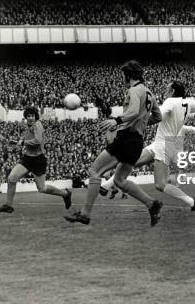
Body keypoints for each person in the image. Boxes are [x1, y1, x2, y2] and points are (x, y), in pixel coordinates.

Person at [64, 60, 163, 226]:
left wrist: (116, 121)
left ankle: (85, 214)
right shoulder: (149, 93)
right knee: (120, 180)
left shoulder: (133, 90)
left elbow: (131, 112)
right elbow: (158, 117)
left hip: (126, 138)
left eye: (123, 75)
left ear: (128, 75)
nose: (122, 78)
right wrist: (141, 123)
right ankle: (151, 204)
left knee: (95, 171)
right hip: (137, 141)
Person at [100, 80, 195, 215]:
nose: (164, 91)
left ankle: (193, 203)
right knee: (131, 161)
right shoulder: (189, 102)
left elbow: (158, 116)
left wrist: (136, 121)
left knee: (160, 185)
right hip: (160, 143)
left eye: (167, 89)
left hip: (164, 145)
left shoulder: (170, 102)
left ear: (172, 92)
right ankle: (106, 186)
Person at [0, 106, 72, 214]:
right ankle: (8, 205)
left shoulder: (38, 125)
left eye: (32, 116)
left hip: (38, 160)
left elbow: (37, 141)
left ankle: (65, 194)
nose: (30, 118)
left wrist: (21, 143)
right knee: (12, 178)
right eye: (28, 116)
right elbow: (28, 140)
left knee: (42, 189)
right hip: (27, 158)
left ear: (36, 116)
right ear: (26, 117)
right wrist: (18, 141)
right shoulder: (28, 126)